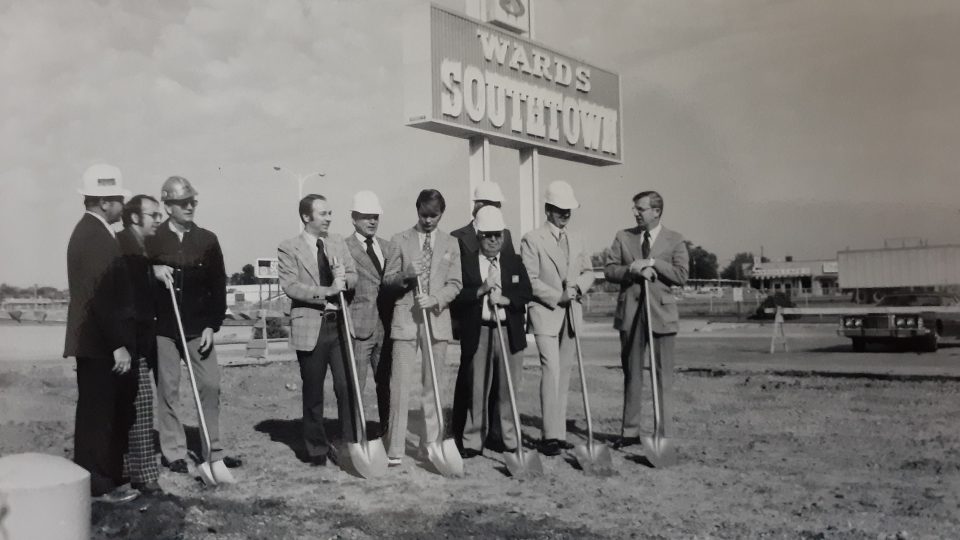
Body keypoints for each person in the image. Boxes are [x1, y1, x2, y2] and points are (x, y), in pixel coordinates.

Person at [147, 176, 240, 475]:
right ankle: (173, 452)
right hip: (163, 328)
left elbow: (218, 286)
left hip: (199, 329)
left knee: (210, 385)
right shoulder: (152, 239)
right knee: (168, 390)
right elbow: (133, 275)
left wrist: (213, 325)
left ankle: (212, 450)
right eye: (182, 203)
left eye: (192, 202)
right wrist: (152, 270)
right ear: (168, 205)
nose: (189, 207)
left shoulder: (207, 240)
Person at [64, 163, 139, 503]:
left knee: (99, 412)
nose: (123, 206)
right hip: (99, 344)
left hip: (95, 341)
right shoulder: (94, 237)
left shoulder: (91, 232)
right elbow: (101, 298)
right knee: (97, 415)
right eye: (119, 200)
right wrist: (118, 346)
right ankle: (97, 486)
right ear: (105, 201)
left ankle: (101, 479)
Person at [382, 189, 462, 467]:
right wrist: (407, 275)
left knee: (433, 386)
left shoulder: (451, 243)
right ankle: (394, 448)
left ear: (442, 214)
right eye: (423, 215)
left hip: (437, 322)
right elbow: (388, 281)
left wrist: (436, 299)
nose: (428, 221)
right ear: (416, 210)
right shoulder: (399, 240)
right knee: (401, 385)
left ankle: (431, 446)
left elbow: (455, 283)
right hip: (405, 322)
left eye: (434, 215)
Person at [277, 194, 359, 466]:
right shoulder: (289, 248)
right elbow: (291, 286)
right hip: (311, 327)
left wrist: (344, 279)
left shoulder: (337, 242)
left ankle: (350, 444)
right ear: (306, 217)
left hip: (340, 326)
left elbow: (354, 274)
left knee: (347, 385)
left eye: (330, 213)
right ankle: (316, 450)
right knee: (313, 391)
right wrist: (327, 291)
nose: (329, 218)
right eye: (323, 213)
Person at [604, 190, 689, 450]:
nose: (636, 213)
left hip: (661, 316)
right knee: (632, 375)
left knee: (663, 376)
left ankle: (663, 434)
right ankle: (630, 432)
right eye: (635, 208)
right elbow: (609, 270)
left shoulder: (675, 240)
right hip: (631, 315)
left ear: (656, 211)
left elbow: (681, 275)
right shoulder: (623, 236)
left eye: (640, 208)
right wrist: (632, 268)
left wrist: (653, 263)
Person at [520, 180, 594, 457]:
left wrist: (578, 288)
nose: (565, 214)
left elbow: (588, 271)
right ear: (548, 209)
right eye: (560, 209)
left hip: (571, 314)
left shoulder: (577, 239)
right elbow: (530, 280)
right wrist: (556, 296)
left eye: (569, 210)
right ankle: (549, 435)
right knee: (550, 370)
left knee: (564, 373)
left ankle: (559, 433)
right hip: (546, 313)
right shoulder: (532, 238)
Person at [451, 207, 532, 458]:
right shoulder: (467, 263)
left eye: (497, 235)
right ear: (478, 236)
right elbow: (457, 296)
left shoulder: (514, 262)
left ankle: (510, 439)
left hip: (509, 333)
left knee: (508, 390)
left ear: (503, 236)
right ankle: (473, 440)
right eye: (488, 235)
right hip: (481, 332)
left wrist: (507, 300)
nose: (493, 240)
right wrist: (481, 289)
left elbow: (526, 292)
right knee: (477, 389)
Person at [117, 194, 163, 494]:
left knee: (131, 407)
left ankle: (126, 468)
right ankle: (144, 475)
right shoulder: (123, 248)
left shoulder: (142, 249)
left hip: (134, 342)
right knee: (142, 405)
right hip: (127, 343)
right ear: (135, 218)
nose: (159, 220)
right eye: (154, 215)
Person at [344, 190, 398, 435]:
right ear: (354, 218)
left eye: (375, 216)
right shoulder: (344, 248)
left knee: (386, 382)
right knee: (356, 383)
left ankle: (388, 431)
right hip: (359, 326)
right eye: (366, 216)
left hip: (386, 326)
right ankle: (355, 433)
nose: (372, 221)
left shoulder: (388, 247)